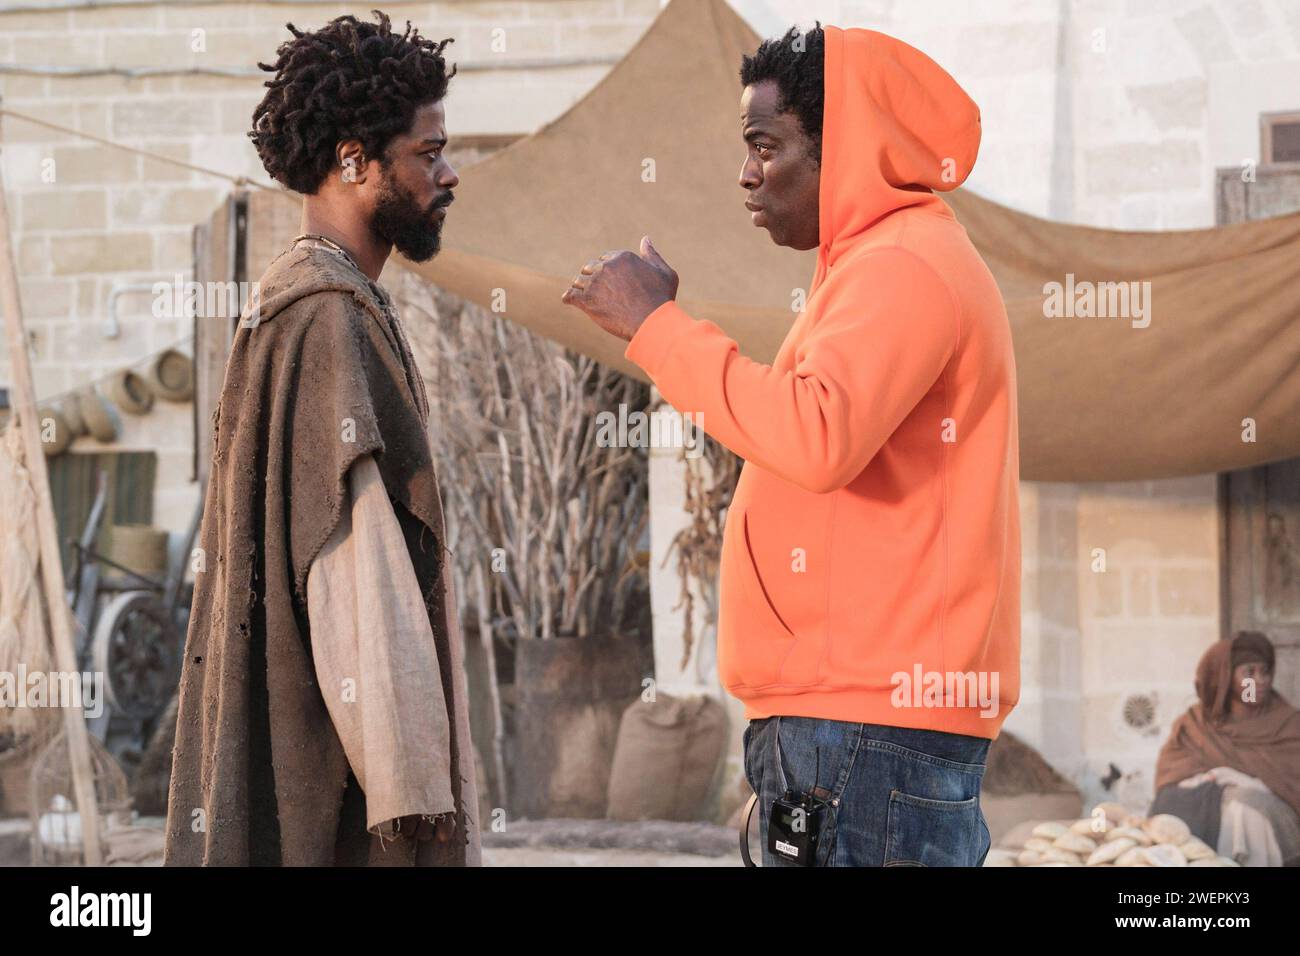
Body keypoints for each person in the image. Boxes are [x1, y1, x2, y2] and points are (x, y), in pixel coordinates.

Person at [561, 24, 1019, 866]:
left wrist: (657, 328)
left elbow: (813, 437)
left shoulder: (904, 266)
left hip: (866, 735)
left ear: (843, 147)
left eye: (765, 146)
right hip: (854, 732)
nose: (747, 172)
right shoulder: (877, 265)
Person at [165, 11, 480, 866]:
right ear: (352, 160)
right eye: (427, 152)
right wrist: (415, 797)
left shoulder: (303, 303)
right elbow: (358, 579)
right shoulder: (327, 317)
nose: (447, 174)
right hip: (347, 798)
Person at [1152, 630, 1300, 866]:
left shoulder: (1288, 723)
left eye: (1265, 671)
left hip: (1268, 826)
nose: (1260, 681)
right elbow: (1171, 781)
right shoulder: (1196, 723)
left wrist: (1240, 779)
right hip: (1218, 818)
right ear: (1225, 678)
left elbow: (1292, 785)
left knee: (1247, 810)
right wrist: (1218, 783)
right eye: (1249, 673)